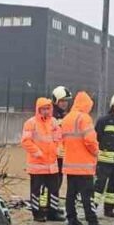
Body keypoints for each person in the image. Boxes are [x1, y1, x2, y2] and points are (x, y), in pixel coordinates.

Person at [60, 91, 108, 225]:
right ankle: (92, 222)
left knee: (71, 194)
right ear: (87, 105)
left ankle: (72, 220)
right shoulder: (85, 118)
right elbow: (90, 140)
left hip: (70, 164)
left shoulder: (67, 118)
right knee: (88, 195)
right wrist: (96, 152)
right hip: (84, 165)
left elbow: (62, 140)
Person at [21, 97, 64, 221]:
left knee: (54, 190)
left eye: (48, 108)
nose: (46, 111)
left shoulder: (54, 122)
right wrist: (38, 152)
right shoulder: (31, 123)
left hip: (52, 163)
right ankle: (37, 213)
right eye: (43, 109)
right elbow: (25, 141)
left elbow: (58, 139)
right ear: (38, 109)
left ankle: (53, 212)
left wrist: (57, 150)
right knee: (36, 191)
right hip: (37, 164)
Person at [49, 85, 72, 216]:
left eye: (66, 101)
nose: (64, 104)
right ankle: (49, 209)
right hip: (53, 155)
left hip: (62, 155)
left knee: (57, 182)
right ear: (56, 101)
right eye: (62, 101)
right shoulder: (52, 115)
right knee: (52, 183)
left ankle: (53, 206)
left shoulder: (65, 115)